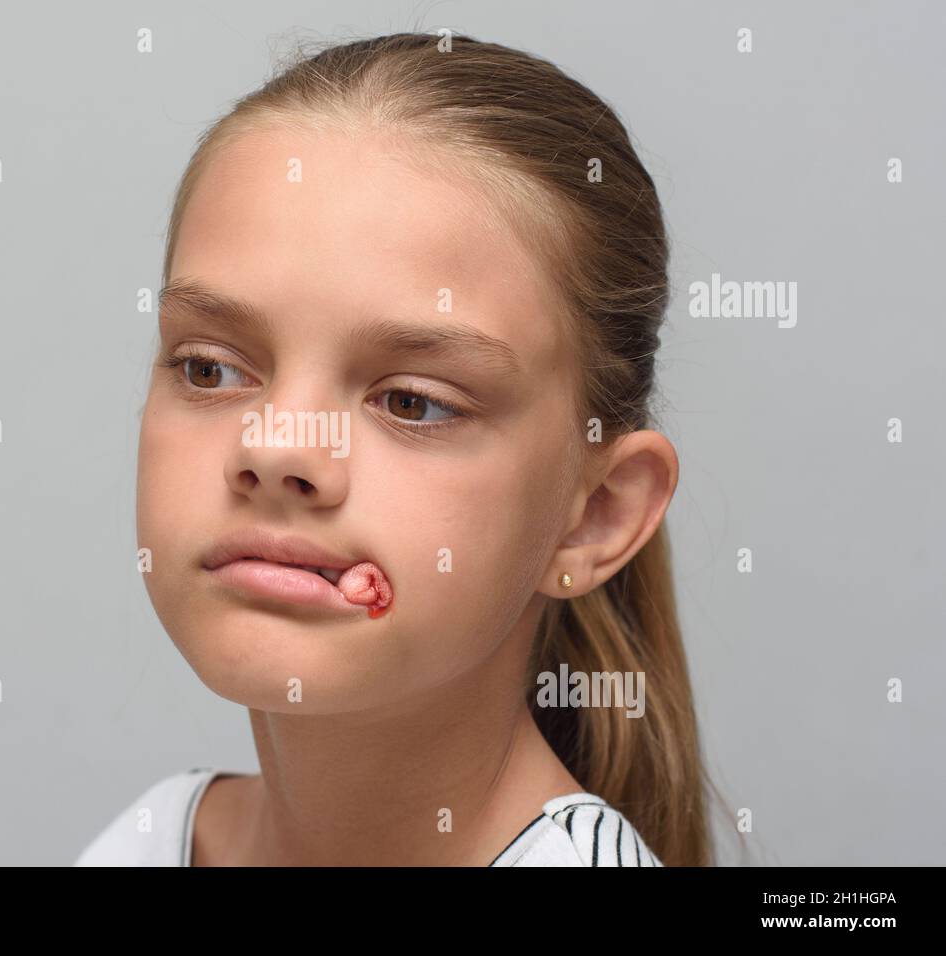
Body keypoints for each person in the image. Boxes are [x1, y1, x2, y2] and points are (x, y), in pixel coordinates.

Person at [78, 31, 723, 866]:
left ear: (595, 515)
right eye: (210, 368)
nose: (277, 448)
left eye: (413, 402)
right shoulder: (148, 840)